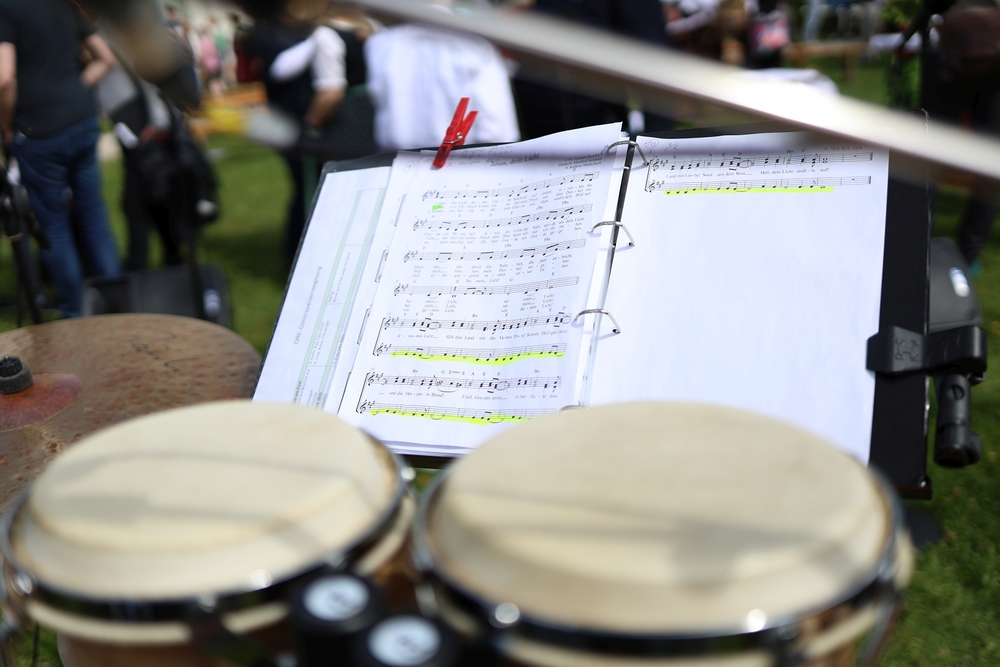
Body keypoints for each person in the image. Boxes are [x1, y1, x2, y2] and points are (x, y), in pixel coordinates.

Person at [0, 0, 121, 318]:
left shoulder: (6, 9)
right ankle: (117, 301)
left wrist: (6, 124)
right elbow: (106, 58)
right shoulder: (63, 3)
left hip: (39, 129)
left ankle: (74, 310)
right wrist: (72, 91)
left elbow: (4, 77)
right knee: (94, 215)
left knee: (53, 226)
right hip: (81, 119)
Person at [244, 0, 352, 264]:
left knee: (323, 190)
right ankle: (299, 255)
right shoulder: (266, 34)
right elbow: (278, 70)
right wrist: (311, 123)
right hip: (295, 125)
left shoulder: (309, 31)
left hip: (318, 126)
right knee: (307, 191)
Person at [364, 12, 520, 151]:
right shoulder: (476, 44)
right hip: (461, 161)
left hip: (394, 158)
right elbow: (497, 127)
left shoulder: (379, 42)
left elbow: (378, 96)